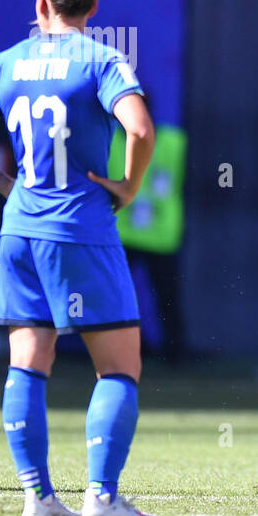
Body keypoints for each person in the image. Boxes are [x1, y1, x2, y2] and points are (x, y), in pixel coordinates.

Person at [0, 0, 159, 516]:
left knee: (28, 363)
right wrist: (128, 187)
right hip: (80, 229)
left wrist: (6, 187)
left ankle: (38, 496)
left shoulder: (9, 61)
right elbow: (138, 129)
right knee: (119, 367)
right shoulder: (103, 59)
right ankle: (102, 498)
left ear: (41, 4)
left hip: (20, 230)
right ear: (92, 7)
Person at [108, 98, 187, 361]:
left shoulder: (174, 142)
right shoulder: (109, 141)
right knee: (116, 295)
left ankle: (174, 352)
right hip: (122, 234)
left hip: (161, 235)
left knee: (167, 296)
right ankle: (123, 349)